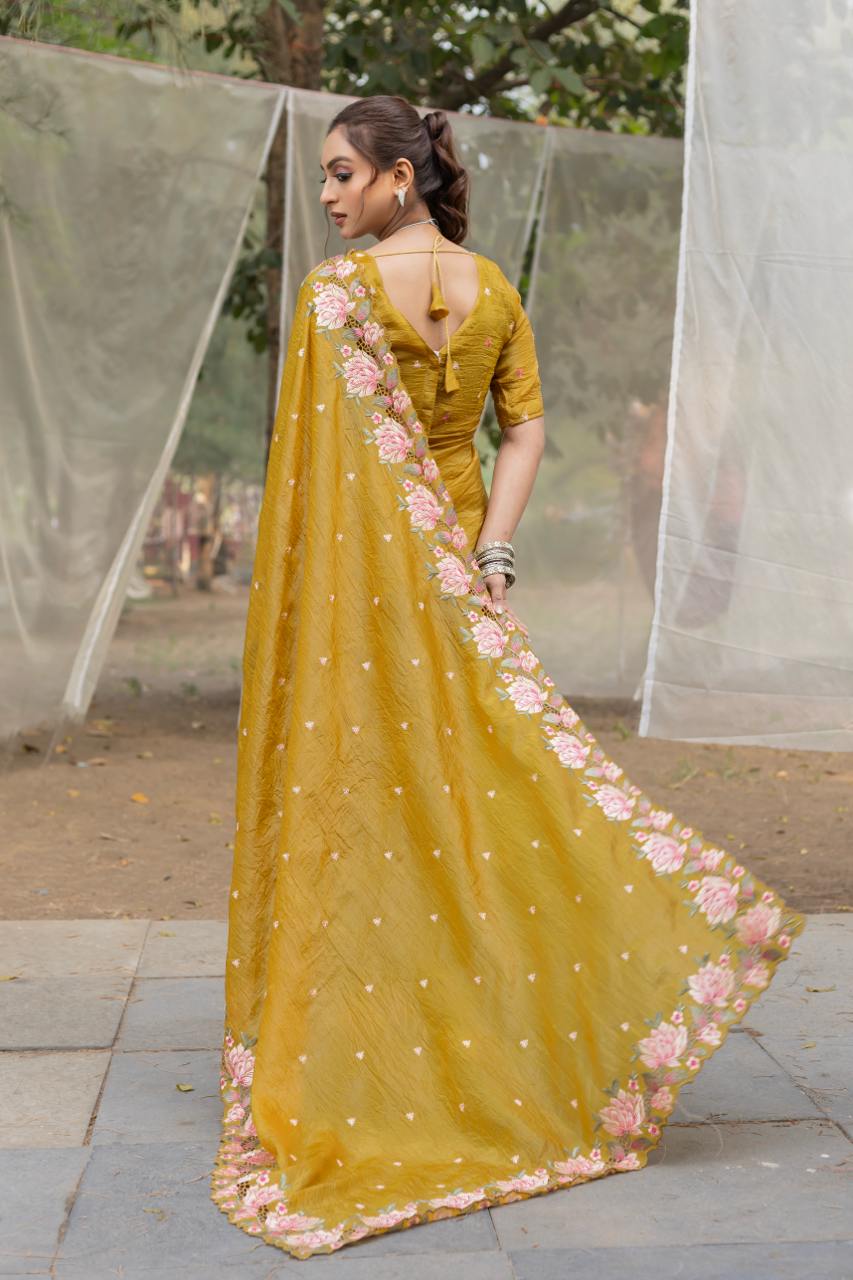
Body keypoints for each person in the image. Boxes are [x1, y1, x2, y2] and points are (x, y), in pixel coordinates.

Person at [210, 95, 806, 1261]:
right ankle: (494, 1024)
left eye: (341, 173)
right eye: (324, 176)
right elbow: (522, 430)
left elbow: (319, 475)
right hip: (462, 571)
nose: (327, 195)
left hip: (368, 585)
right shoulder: (493, 289)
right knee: (475, 798)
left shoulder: (335, 299)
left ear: (400, 177)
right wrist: (490, 555)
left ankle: (396, 1043)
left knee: (374, 800)